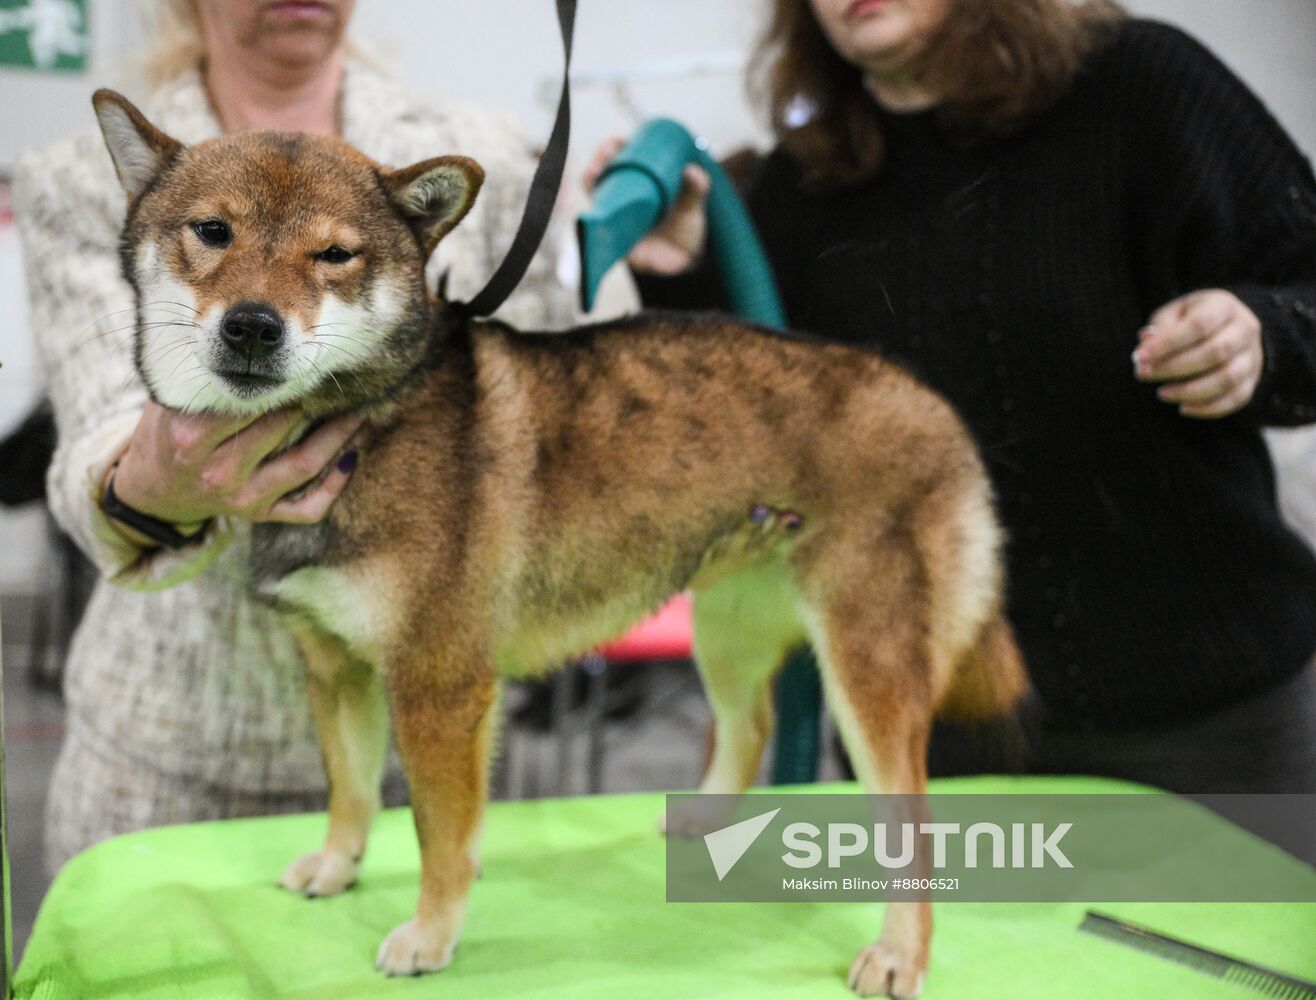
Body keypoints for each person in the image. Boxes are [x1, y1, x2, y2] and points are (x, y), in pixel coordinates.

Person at [599, 0, 1316, 795]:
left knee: (1245, 924)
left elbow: (1303, 283)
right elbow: (746, 428)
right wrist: (692, 267)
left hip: (1209, 731)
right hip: (937, 744)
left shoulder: (1143, 88)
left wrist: (1264, 331)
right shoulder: (804, 185)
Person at [14, 0, 577, 871]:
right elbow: (92, 444)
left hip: (413, 763)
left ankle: (833, 869)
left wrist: (644, 251)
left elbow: (547, 387)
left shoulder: (490, 148)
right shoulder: (75, 177)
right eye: (211, 234)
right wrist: (146, 484)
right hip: (169, 774)